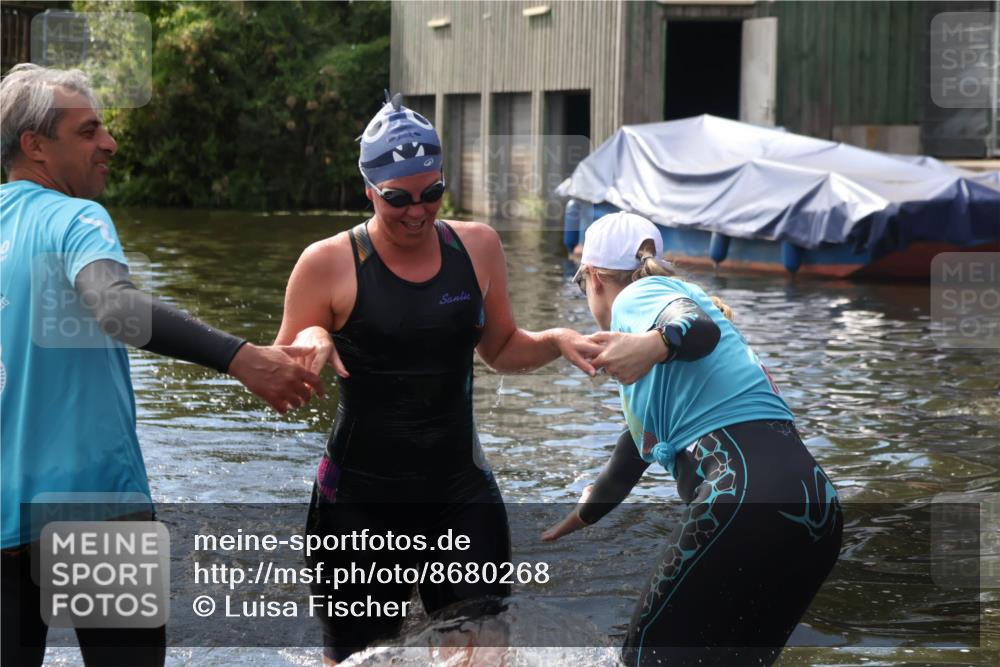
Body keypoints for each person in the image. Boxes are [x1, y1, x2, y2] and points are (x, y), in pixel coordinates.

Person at [0, 64, 325, 667]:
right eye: (89, 130)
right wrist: (241, 357)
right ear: (35, 146)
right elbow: (115, 307)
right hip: (96, 508)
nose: (110, 143)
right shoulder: (77, 219)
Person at [275, 93, 602, 664]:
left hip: (459, 496)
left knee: (483, 653)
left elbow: (499, 347)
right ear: (369, 189)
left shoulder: (476, 247)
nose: (418, 211)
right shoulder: (326, 263)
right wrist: (314, 341)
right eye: (398, 198)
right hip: (357, 506)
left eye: (432, 193)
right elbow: (286, 363)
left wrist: (553, 340)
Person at [542, 212, 843, 666]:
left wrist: (655, 342)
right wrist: (583, 515)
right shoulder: (670, 366)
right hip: (817, 513)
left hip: (740, 500)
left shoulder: (639, 297)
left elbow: (695, 327)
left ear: (595, 278)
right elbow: (631, 456)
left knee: (642, 659)